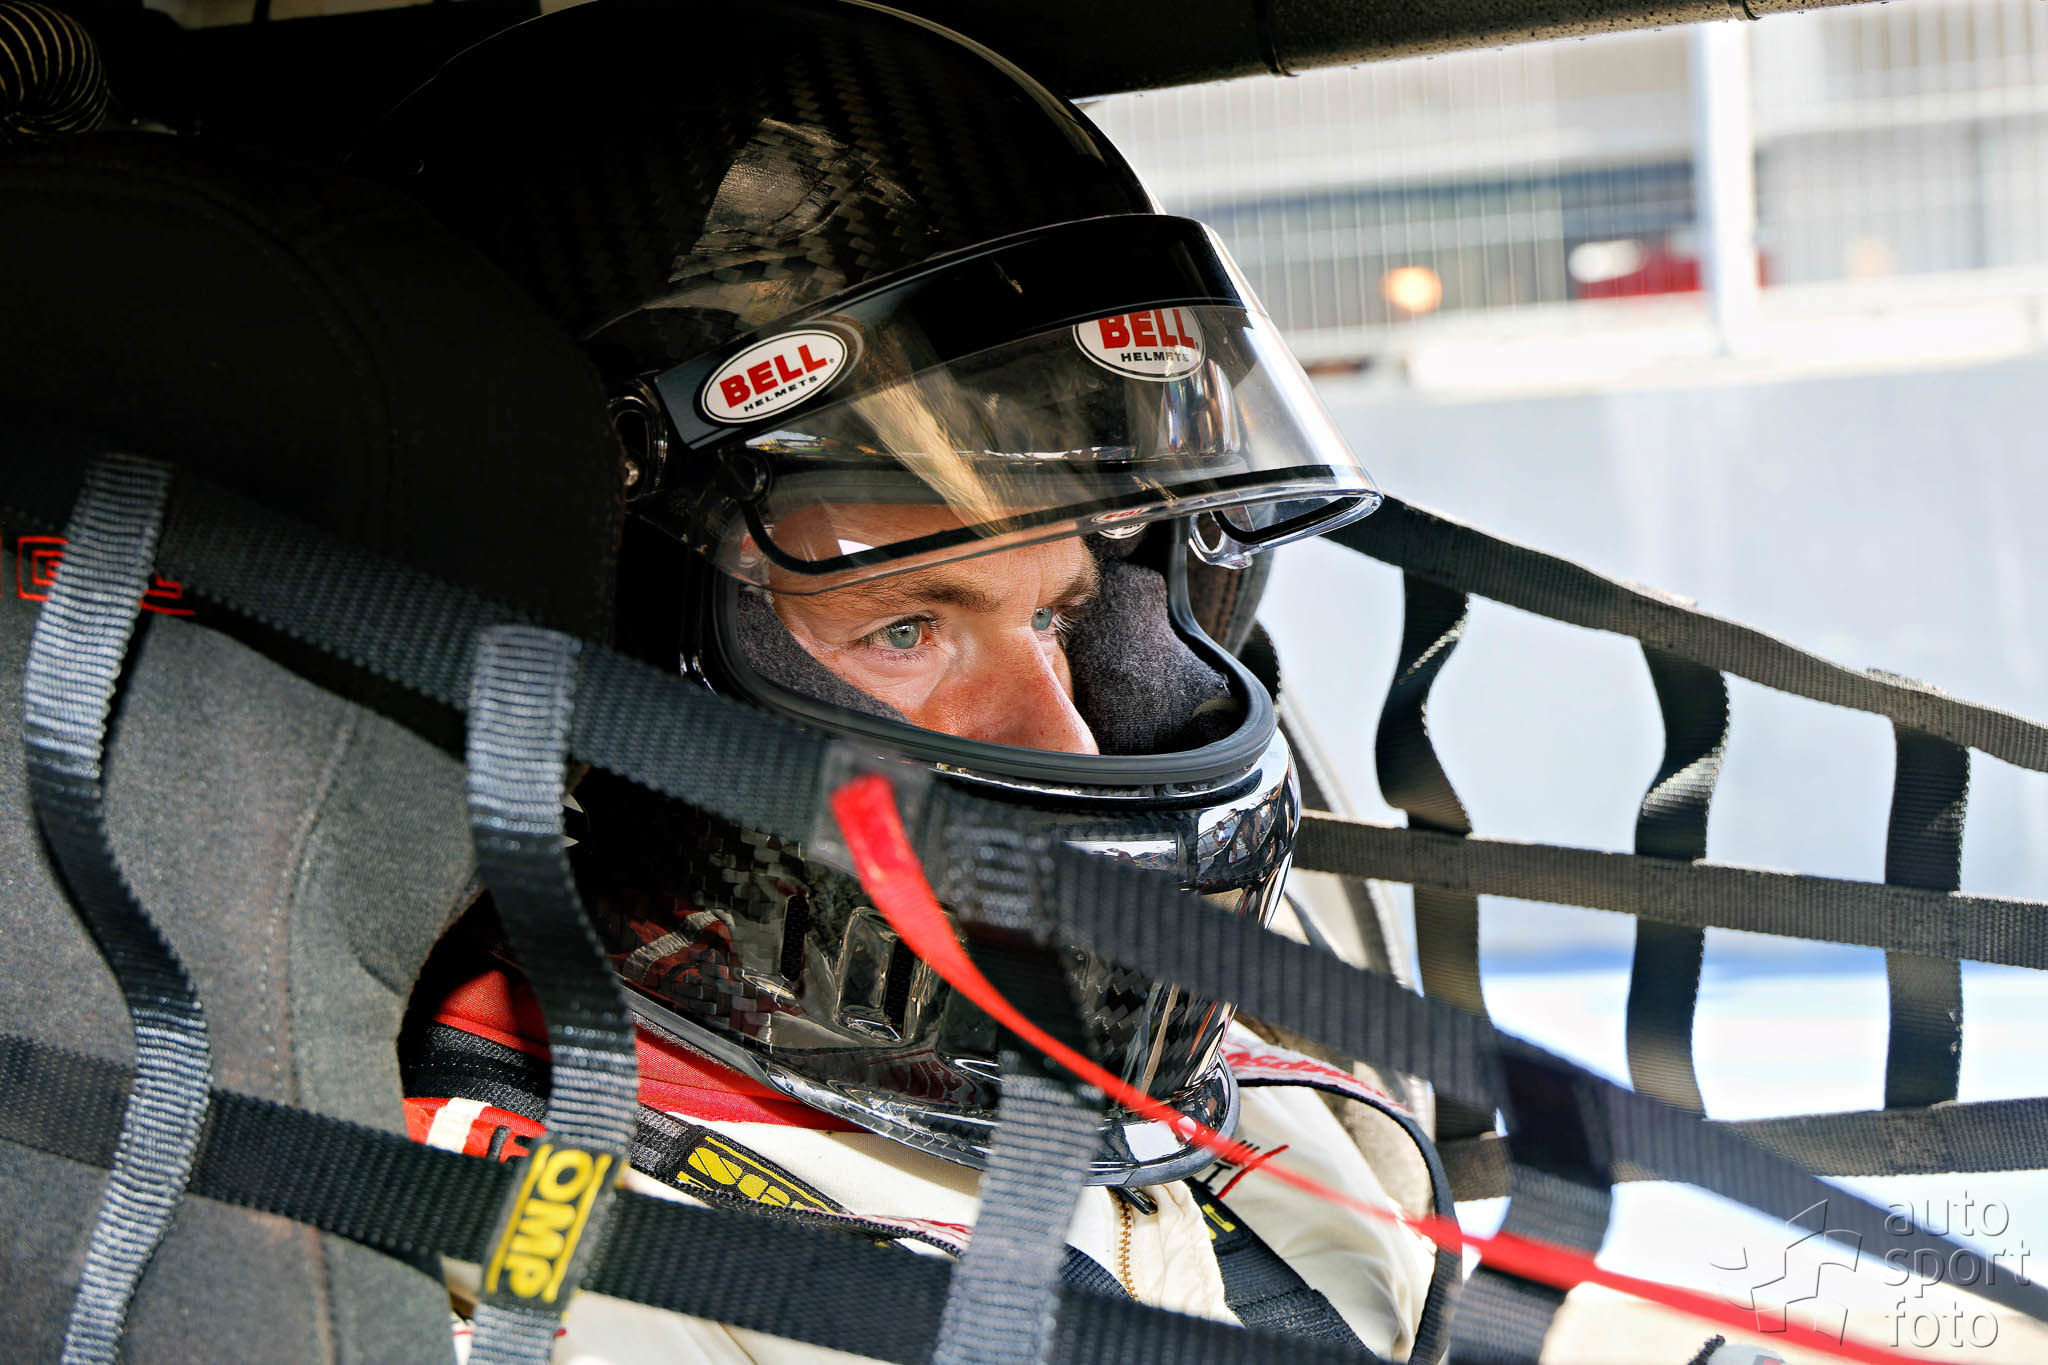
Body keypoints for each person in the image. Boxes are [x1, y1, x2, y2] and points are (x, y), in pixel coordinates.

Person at [360, 1, 1441, 1358]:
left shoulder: (1288, 1111)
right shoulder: (523, 1276)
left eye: (1064, 614)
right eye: (909, 627)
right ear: (598, 662)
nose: (1070, 737)